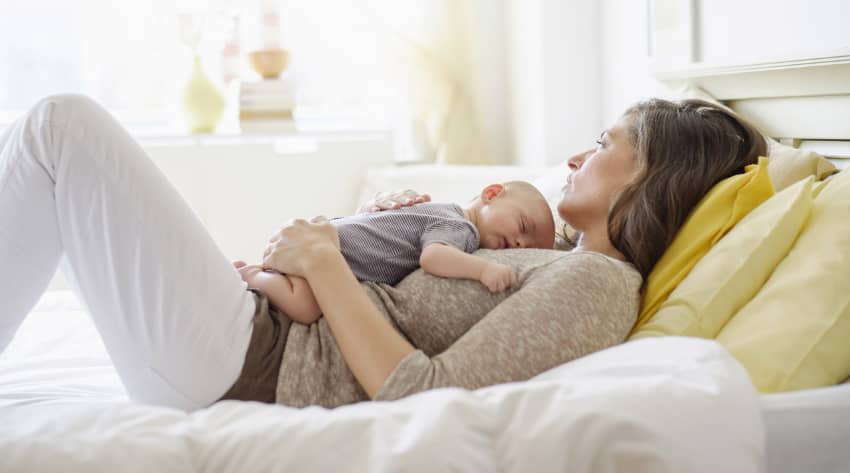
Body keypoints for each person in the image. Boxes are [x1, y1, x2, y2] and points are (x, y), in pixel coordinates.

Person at [0, 94, 766, 410]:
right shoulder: (554, 254)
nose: (575, 156)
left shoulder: (596, 285)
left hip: (255, 361)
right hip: (250, 333)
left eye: (604, 143)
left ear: (653, 175)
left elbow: (423, 394)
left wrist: (324, 260)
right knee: (56, 149)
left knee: (59, 129)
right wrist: (389, 221)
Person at [232, 181, 555, 325]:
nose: (520, 244)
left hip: (326, 240)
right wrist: (483, 270)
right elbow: (434, 258)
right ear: (492, 193)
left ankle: (258, 274)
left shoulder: (440, 209)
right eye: (523, 226)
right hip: (329, 251)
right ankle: (252, 275)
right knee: (306, 308)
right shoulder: (461, 228)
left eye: (529, 247)